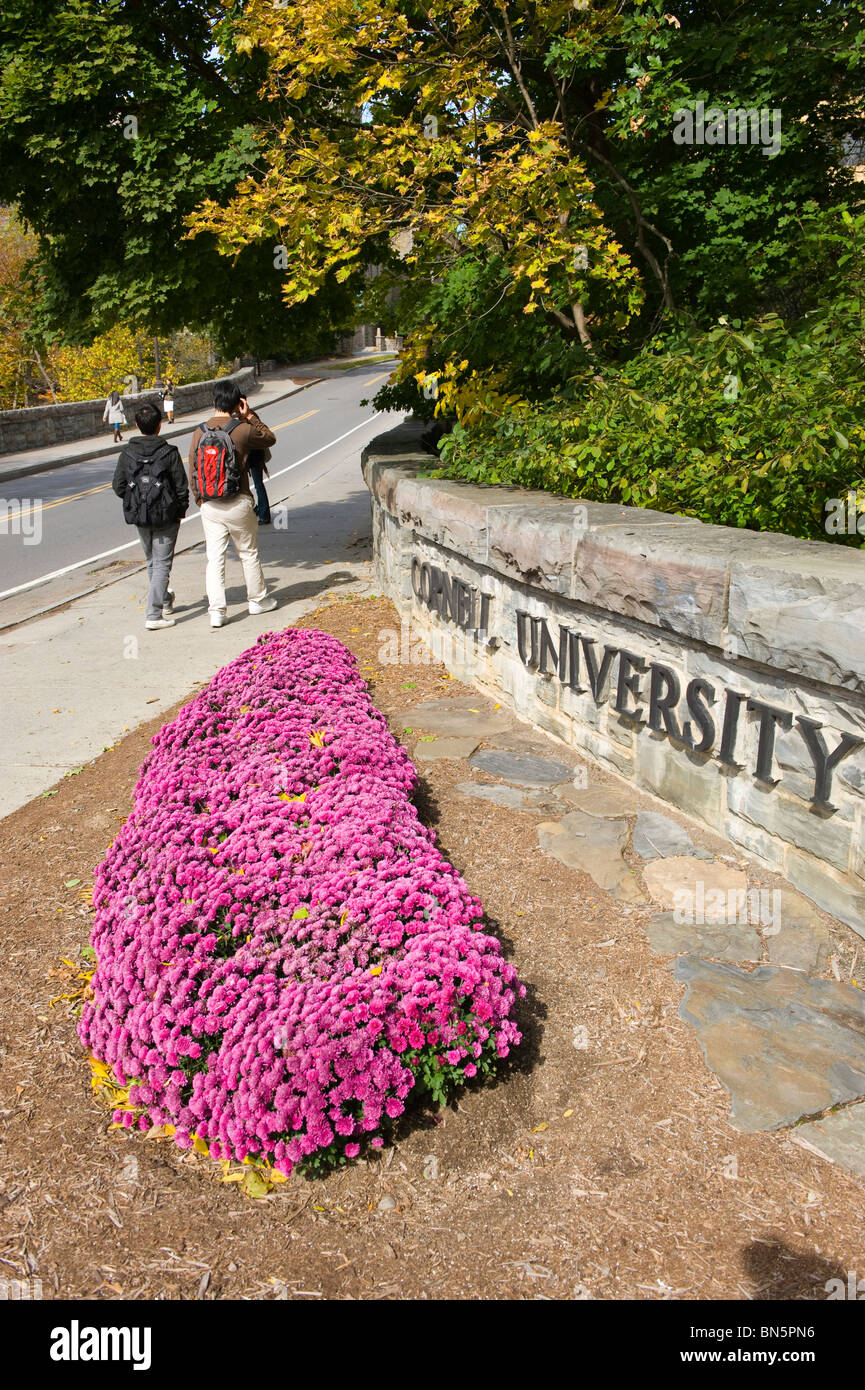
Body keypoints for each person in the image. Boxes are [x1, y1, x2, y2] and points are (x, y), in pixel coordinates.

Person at [188, 380, 277, 628]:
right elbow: (270, 438)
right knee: (248, 552)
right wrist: (249, 414)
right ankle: (258, 600)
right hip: (238, 501)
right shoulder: (242, 430)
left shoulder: (199, 431)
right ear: (237, 402)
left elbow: (193, 469)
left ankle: (217, 611)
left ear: (214, 401)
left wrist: (200, 499)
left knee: (215, 559)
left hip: (210, 504)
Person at [112, 402, 189, 631]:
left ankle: (164, 599)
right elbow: (181, 486)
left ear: (136, 425)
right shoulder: (169, 452)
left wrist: (136, 501)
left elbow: (118, 486)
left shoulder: (127, 453)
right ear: (159, 425)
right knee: (162, 564)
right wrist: (179, 512)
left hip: (141, 516)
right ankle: (154, 614)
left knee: (152, 562)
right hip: (166, 516)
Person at [247, 445, 272, 524]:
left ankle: (264, 515)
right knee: (257, 486)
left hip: (254, 458)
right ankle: (259, 510)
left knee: (258, 486)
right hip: (255, 458)